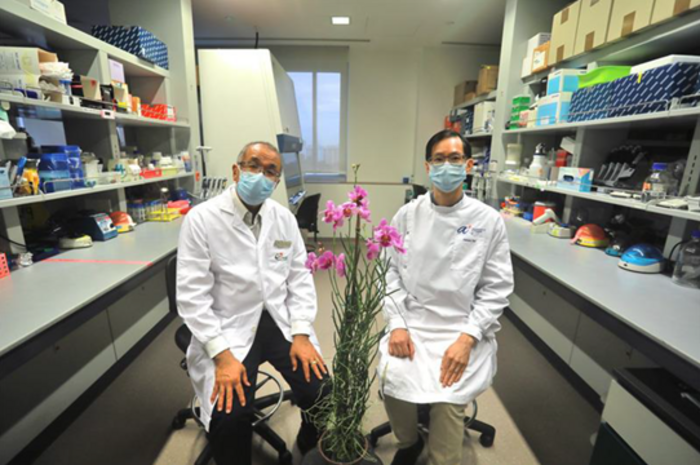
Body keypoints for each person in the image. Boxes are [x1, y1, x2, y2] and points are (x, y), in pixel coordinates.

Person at [177, 141, 329, 465]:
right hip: (226, 323)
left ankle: (308, 437)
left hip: (276, 316)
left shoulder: (283, 219)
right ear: (236, 170)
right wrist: (221, 356)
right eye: (253, 165)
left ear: (276, 181)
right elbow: (191, 297)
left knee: (320, 390)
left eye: (270, 170)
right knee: (230, 416)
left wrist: (301, 334)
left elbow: (299, 278)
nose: (261, 175)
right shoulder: (201, 219)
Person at [378, 130, 514, 465]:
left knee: (448, 398)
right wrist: (397, 324)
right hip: (413, 322)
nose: (446, 166)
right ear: (428, 166)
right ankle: (408, 443)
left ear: (468, 165)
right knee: (391, 377)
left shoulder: (487, 220)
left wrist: (468, 339)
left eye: (455, 159)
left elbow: (496, 288)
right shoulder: (408, 215)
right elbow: (389, 273)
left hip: (462, 327)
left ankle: (442, 458)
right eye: (439, 159)